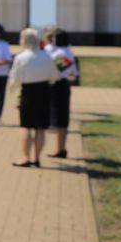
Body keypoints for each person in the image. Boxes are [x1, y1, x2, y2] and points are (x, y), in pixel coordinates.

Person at [8, 28, 60, 167]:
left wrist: (11, 90)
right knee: (40, 128)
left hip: (27, 93)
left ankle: (25, 157)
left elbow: (14, 79)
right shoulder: (47, 56)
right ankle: (36, 158)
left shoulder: (20, 57)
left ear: (23, 41)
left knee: (25, 126)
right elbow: (55, 76)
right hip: (44, 92)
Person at [47, 30, 78, 158]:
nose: (52, 40)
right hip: (64, 85)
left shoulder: (60, 54)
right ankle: (61, 148)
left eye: (54, 38)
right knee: (63, 119)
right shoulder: (68, 52)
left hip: (57, 85)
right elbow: (74, 74)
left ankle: (60, 149)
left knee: (60, 119)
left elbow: (57, 69)